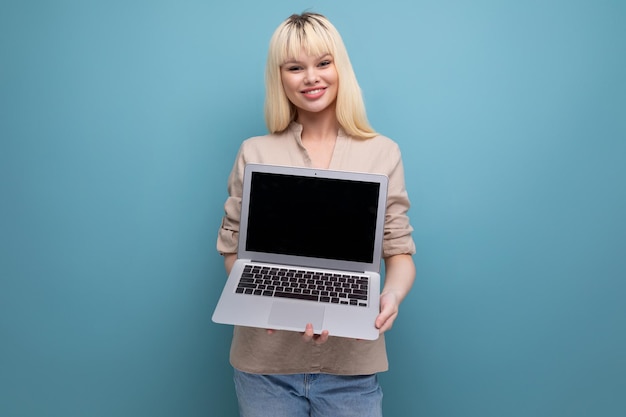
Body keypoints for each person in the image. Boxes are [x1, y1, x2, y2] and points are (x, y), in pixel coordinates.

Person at [217, 12, 416, 417]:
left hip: (352, 369)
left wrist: (391, 295)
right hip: (264, 369)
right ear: (281, 77)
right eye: (295, 67)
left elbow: (399, 252)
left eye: (323, 63)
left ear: (339, 67)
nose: (311, 77)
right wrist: (268, 300)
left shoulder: (382, 152)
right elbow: (231, 250)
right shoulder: (255, 151)